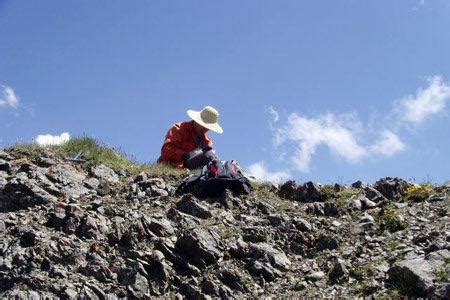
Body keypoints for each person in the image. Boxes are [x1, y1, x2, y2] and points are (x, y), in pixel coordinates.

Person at [158, 106, 223, 169]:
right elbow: (166, 151)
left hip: (194, 169)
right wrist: (187, 155)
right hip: (173, 165)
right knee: (209, 155)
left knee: (212, 157)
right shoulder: (179, 128)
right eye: (203, 125)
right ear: (197, 120)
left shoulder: (207, 142)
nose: (205, 128)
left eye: (208, 127)